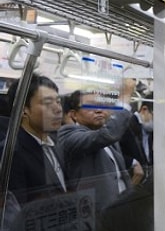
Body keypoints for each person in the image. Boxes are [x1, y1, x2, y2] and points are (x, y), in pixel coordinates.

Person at [58, 79, 138, 214]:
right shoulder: (67, 134)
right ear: (74, 114)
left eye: (103, 105)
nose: (99, 110)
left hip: (121, 210)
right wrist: (124, 98)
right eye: (90, 106)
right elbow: (106, 135)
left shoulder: (107, 137)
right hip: (94, 215)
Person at [2, 74, 69, 205]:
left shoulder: (56, 144)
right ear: (23, 110)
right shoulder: (12, 153)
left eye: (58, 101)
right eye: (48, 103)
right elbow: (15, 213)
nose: (58, 109)